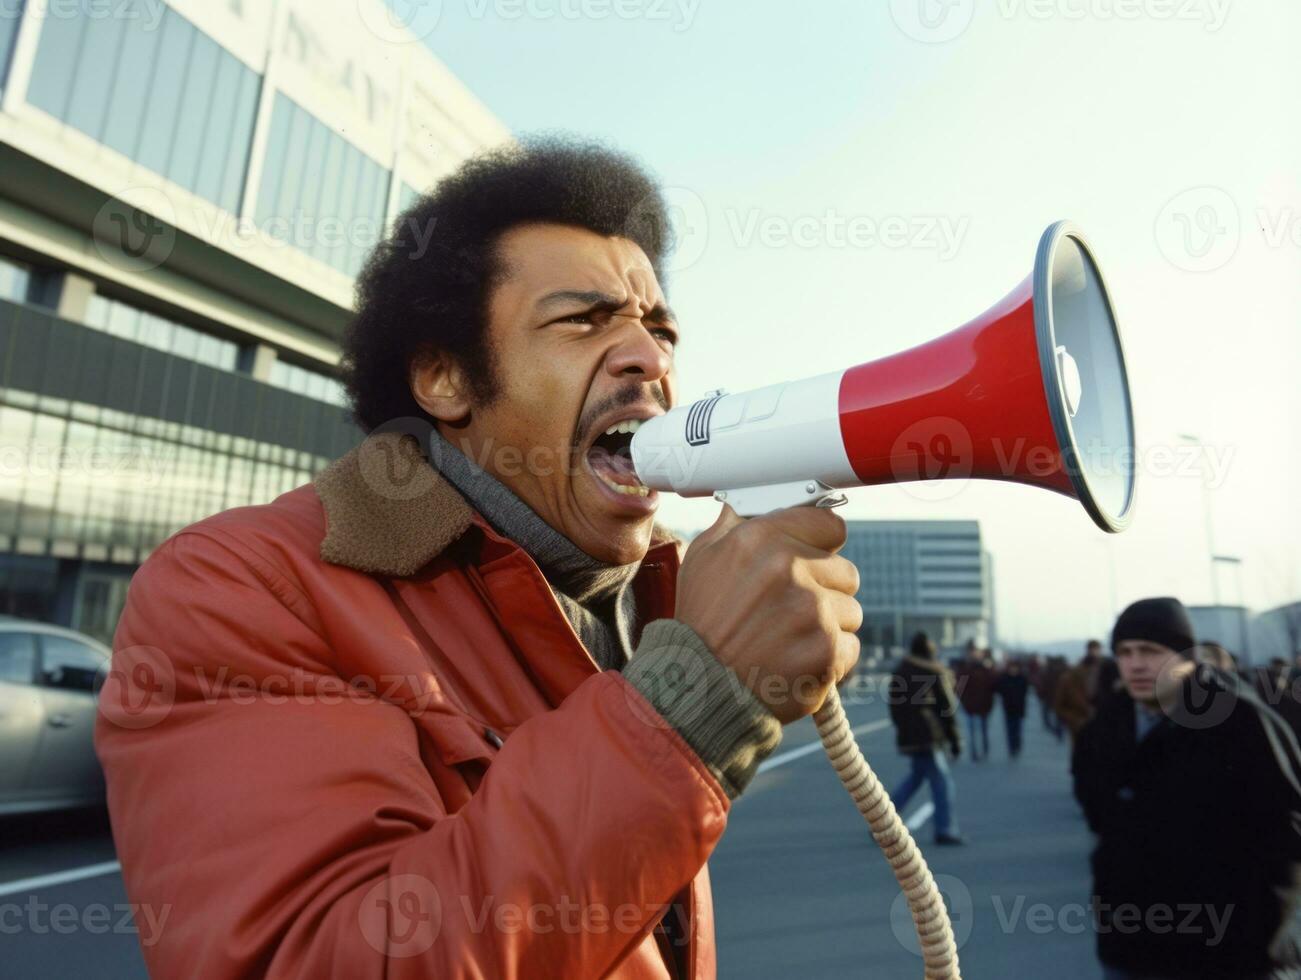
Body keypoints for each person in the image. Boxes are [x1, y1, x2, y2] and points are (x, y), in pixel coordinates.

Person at [94, 140, 866, 978]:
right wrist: (684, 709)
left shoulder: (658, 593)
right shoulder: (241, 584)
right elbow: (309, 957)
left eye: (658, 327)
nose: (650, 356)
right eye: (584, 319)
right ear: (443, 378)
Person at [1072, 598, 1301, 980]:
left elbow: (1288, 828)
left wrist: (1261, 934)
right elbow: (1098, 812)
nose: (1136, 663)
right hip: (1129, 947)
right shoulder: (1106, 726)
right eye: (1125, 652)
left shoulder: (1239, 721)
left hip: (1223, 953)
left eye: (1151, 650)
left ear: (1187, 657)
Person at [888, 632, 964, 845]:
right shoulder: (934, 672)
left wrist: (903, 730)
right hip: (930, 735)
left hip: (910, 736)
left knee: (916, 777)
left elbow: (894, 708)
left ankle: (883, 822)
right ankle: (945, 829)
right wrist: (955, 740)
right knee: (942, 782)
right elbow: (947, 709)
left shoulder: (901, 671)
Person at [954, 641, 996, 760]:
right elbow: (959, 686)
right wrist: (963, 700)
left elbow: (994, 684)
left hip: (984, 704)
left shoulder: (987, 668)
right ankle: (974, 752)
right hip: (970, 705)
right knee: (972, 731)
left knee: (983, 729)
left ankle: (984, 750)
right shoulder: (965, 668)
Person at [1054, 639, 1103, 740]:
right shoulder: (1071, 676)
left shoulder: (1109, 674)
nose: (1095, 652)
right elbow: (1060, 706)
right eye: (1093, 649)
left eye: (1097, 649)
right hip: (1081, 728)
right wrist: (1077, 721)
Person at [995, 658, 1030, 758]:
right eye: (1012, 668)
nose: (1013, 670)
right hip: (1008, 708)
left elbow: (1025, 692)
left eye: (1015, 668)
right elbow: (999, 690)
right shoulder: (1004, 678)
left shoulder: (1022, 679)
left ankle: (1017, 745)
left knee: (1018, 729)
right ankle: (1011, 747)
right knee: (1009, 729)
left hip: (1019, 708)